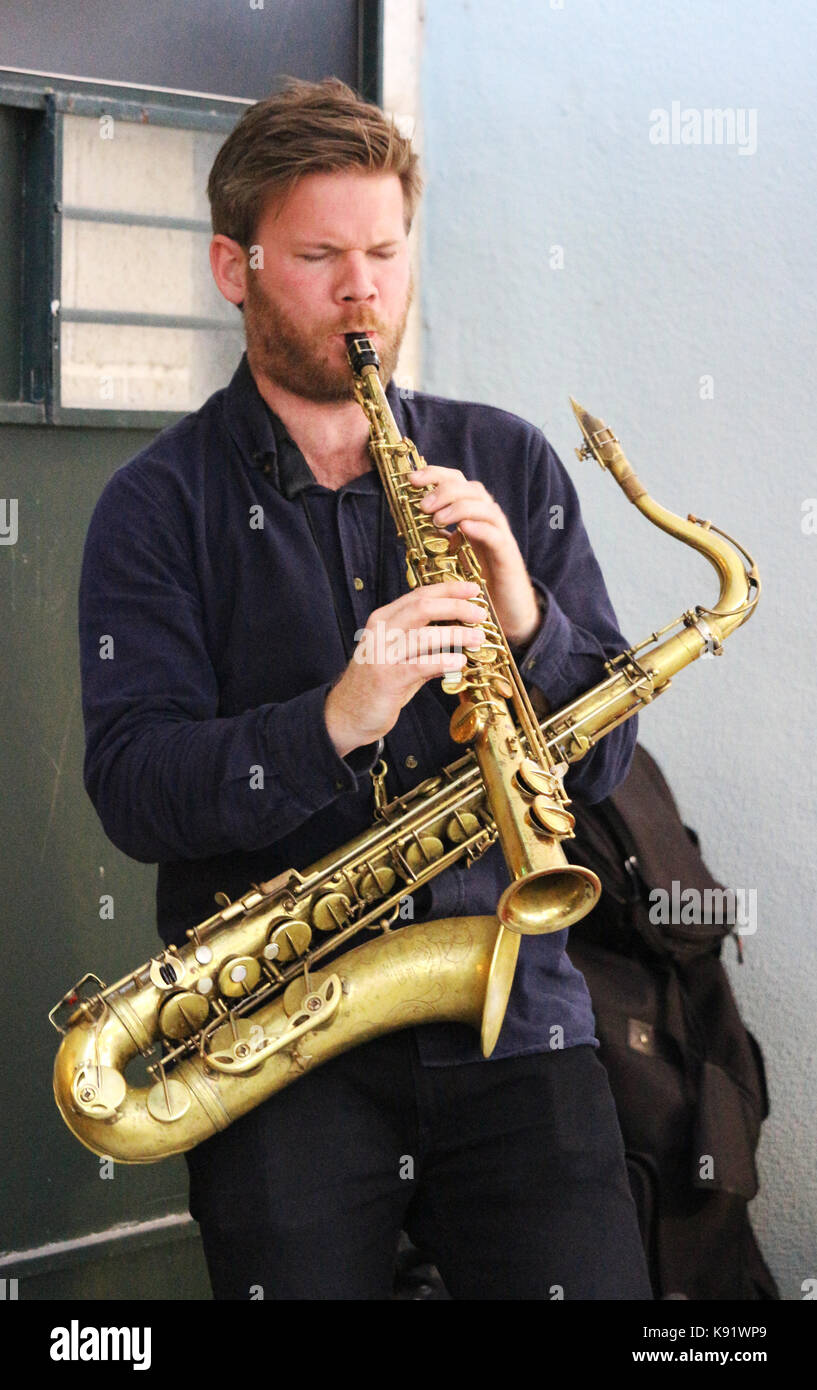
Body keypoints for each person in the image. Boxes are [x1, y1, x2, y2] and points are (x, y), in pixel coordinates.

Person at [78, 77, 652, 1301]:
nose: (365, 293)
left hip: (515, 1014)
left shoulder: (504, 457)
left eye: (386, 251)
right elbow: (133, 790)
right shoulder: (154, 506)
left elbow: (600, 760)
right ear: (233, 268)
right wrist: (337, 717)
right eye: (322, 255)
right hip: (283, 1050)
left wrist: (527, 617)